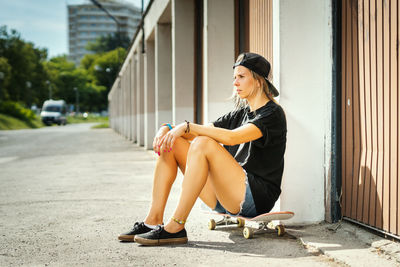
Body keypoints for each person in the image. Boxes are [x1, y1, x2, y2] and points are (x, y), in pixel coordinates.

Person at [118, 52, 287, 246]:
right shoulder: (240, 113)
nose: (235, 83)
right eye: (234, 77)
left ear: (258, 81)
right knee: (171, 143)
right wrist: (168, 128)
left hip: (255, 197)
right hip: (224, 196)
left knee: (204, 142)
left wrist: (187, 127)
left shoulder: (272, 113)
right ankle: (152, 221)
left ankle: (176, 227)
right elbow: (197, 131)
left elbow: (231, 138)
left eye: (241, 77)